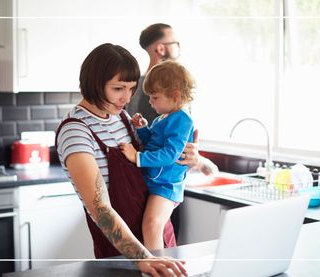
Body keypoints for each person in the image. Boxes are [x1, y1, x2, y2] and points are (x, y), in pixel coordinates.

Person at [55, 43, 187, 277]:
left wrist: (191, 157)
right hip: (124, 258)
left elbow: (156, 158)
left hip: (159, 240)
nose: (126, 98)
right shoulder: (76, 131)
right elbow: (100, 208)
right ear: (95, 83)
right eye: (118, 89)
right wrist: (143, 257)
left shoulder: (122, 118)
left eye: (131, 89)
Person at [120, 60, 195, 251]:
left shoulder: (182, 119)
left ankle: (156, 267)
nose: (151, 102)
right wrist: (143, 129)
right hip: (156, 182)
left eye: (154, 97)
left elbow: (170, 154)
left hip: (166, 186)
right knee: (150, 226)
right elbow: (153, 144)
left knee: (152, 225)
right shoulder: (165, 117)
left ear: (176, 96)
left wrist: (137, 157)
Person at [126, 22, 218, 176]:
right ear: (161, 48)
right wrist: (200, 162)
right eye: (175, 43)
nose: (179, 48)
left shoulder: (135, 87)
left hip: (151, 173)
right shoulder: (163, 96)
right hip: (162, 176)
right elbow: (161, 146)